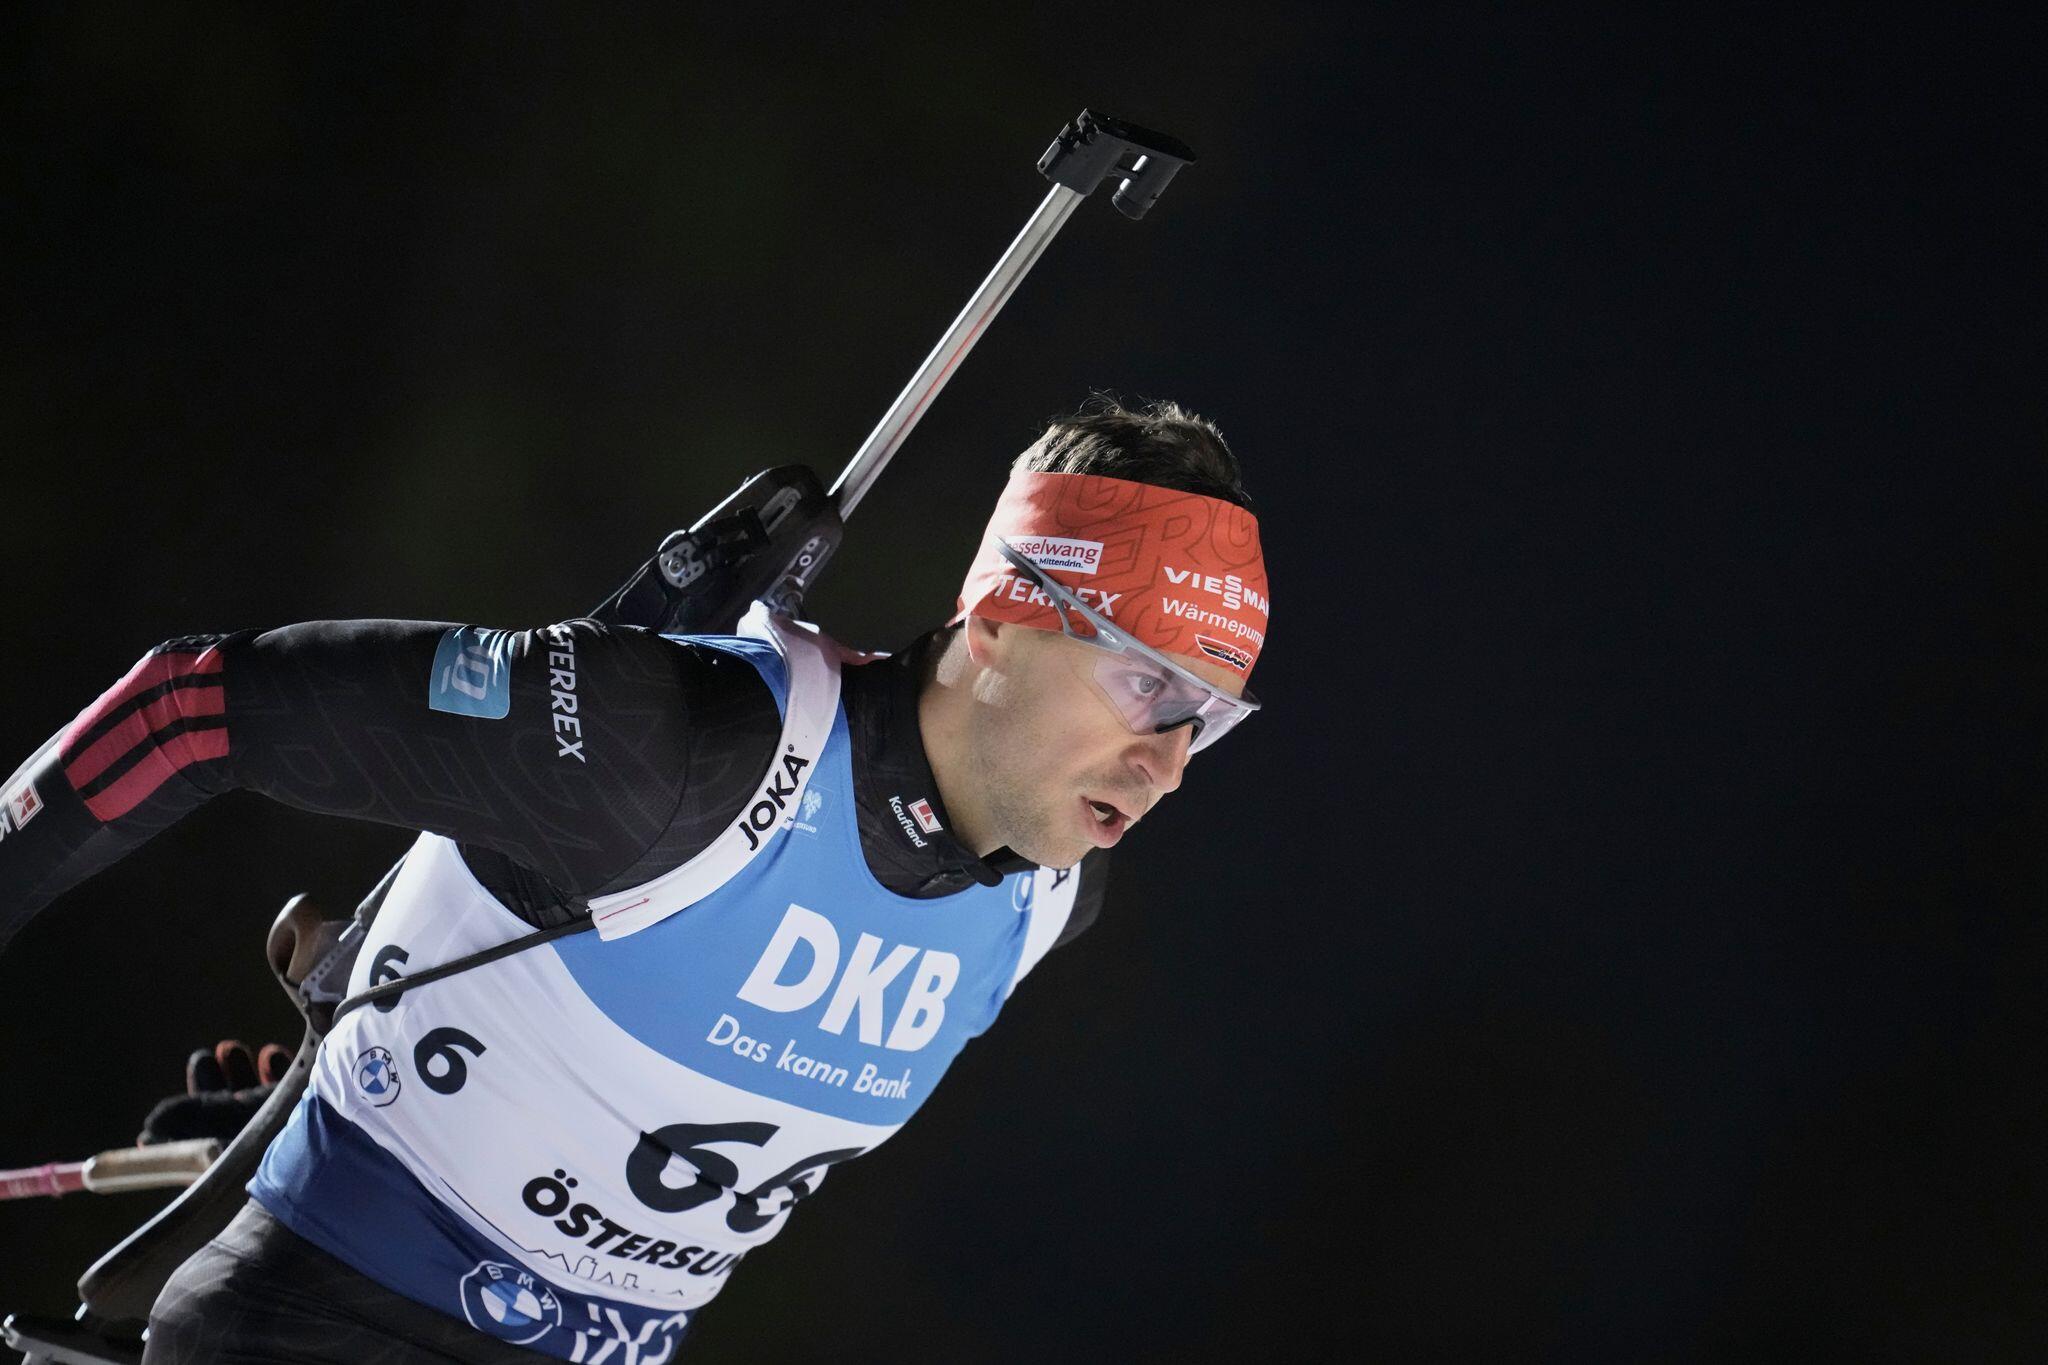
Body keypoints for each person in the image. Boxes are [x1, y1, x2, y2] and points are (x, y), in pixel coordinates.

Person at [0, 397, 1272, 1363]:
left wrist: (388, 1085)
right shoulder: (681, 748)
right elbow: (190, 709)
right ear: (997, 618)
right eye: (1145, 684)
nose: (1166, 764)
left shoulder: (1049, 900)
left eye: (1206, 720)